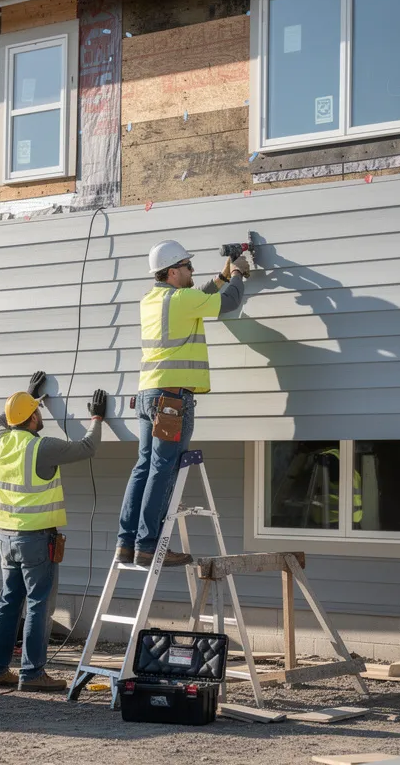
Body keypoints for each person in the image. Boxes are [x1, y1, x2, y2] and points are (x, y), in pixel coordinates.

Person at [116, 241, 248, 567]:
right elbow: (228, 302)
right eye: (188, 266)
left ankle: (127, 544)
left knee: (144, 467)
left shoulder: (152, 300)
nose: (192, 271)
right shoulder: (182, 300)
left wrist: (221, 276)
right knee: (163, 469)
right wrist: (239, 274)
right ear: (173, 271)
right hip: (172, 399)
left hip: (148, 395)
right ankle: (148, 546)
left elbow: (199, 295)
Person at [0, 372, 107, 692]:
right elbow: (87, 447)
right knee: (39, 604)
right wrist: (97, 416)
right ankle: (32, 674)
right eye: (37, 411)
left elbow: (0, 419)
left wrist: (28, 396)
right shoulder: (43, 447)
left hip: (6, 536)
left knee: (9, 602)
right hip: (36, 538)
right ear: (33, 417)